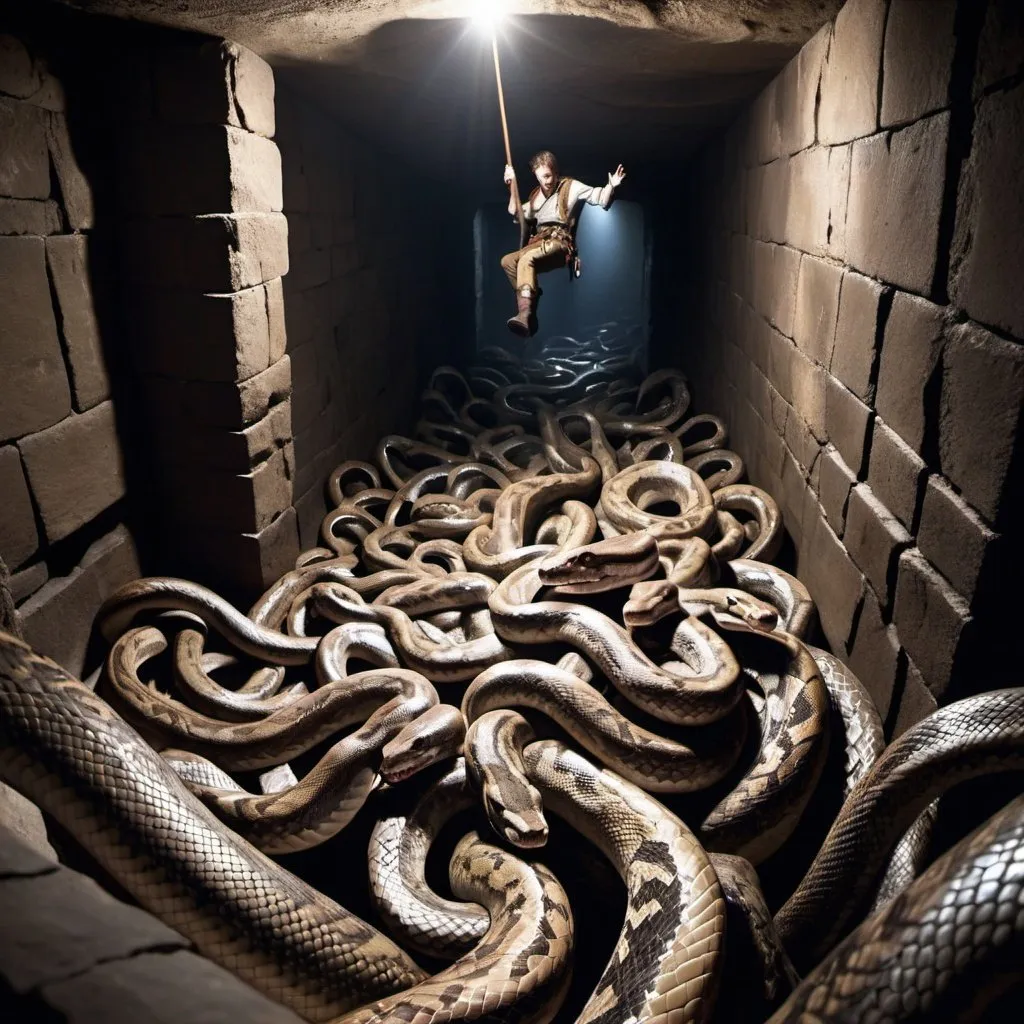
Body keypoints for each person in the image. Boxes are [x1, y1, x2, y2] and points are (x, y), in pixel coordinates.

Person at [501, 151, 626, 337]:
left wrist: (611, 186)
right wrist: (512, 185)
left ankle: (525, 313)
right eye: (541, 177)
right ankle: (529, 310)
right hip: (538, 244)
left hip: (559, 244)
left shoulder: (570, 187)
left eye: (549, 175)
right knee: (508, 262)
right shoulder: (536, 197)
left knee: (526, 258)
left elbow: (598, 197)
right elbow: (514, 211)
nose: (546, 181)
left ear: (556, 172)